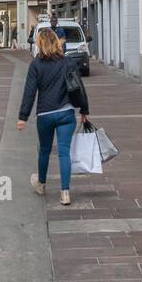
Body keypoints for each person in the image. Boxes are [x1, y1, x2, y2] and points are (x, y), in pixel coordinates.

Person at [16, 27, 90, 207]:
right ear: (57, 42)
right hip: (66, 113)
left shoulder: (36, 65)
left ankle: (41, 184)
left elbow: (29, 92)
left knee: (45, 150)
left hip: (45, 114)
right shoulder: (67, 62)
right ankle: (65, 193)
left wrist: (23, 117)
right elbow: (79, 87)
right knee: (64, 152)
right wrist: (84, 110)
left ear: (39, 45)